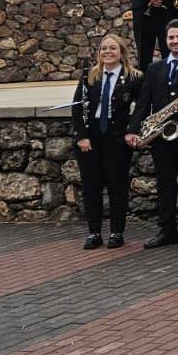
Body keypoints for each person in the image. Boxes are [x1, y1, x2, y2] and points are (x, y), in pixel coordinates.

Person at [127, 20, 178, 250]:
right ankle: (167, 230)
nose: (175, 41)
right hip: (161, 136)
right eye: (171, 38)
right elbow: (144, 102)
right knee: (165, 184)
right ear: (165, 40)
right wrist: (133, 130)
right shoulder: (155, 68)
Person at [71, 35, 143, 250]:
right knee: (91, 187)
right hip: (91, 138)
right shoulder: (89, 76)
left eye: (112, 48)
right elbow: (77, 106)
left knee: (116, 186)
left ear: (121, 52)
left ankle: (116, 231)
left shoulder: (134, 77)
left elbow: (141, 107)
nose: (107, 52)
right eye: (103, 49)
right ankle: (94, 232)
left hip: (116, 138)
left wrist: (132, 130)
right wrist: (81, 136)